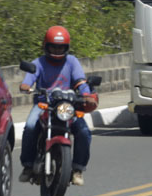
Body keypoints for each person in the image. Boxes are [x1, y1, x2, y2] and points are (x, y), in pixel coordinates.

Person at [17, 25, 98, 186]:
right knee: (31, 127)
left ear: (66, 47)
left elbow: (80, 81)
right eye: (53, 46)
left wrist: (87, 95)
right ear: (46, 45)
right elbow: (28, 80)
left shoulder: (72, 62)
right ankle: (27, 165)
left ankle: (77, 169)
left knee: (83, 131)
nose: (57, 50)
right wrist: (26, 86)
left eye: (61, 47)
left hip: (66, 106)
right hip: (44, 104)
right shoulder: (38, 63)